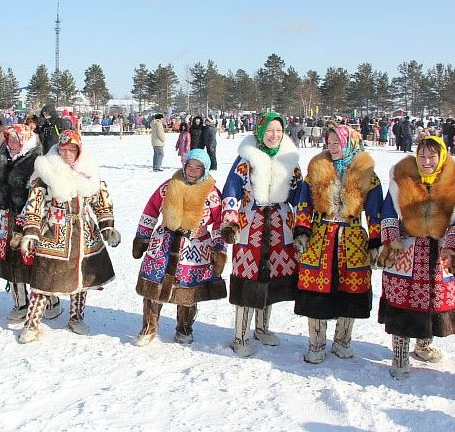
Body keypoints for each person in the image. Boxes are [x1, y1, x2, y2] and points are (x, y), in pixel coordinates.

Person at [376, 137, 455, 379]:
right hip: (407, 250)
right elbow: (388, 211)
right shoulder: (402, 179)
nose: (426, 162)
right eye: (422, 156)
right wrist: (391, 241)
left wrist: (453, 249)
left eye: (432, 157)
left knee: (432, 300)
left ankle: (423, 344)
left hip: (439, 251)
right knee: (402, 302)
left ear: (441, 158)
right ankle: (400, 352)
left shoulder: (452, 181)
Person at [16, 130, 119, 343]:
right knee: (44, 278)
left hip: (84, 231)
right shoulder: (46, 170)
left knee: (82, 275)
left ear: (79, 150)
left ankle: (76, 317)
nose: (67, 153)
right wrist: (31, 232)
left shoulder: (89, 170)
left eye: (71, 149)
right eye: (63, 149)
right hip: (55, 231)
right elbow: (35, 204)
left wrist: (107, 226)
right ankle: (32, 323)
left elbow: (101, 201)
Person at [292, 123, 383, 364]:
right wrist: (302, 230)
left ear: (350, 143)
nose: (332, 148)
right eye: (329, 143)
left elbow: (375, 213)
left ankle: (343, 339)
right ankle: (316, 342)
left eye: (337, 143)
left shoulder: (368, 176)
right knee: (315, 292)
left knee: (349, 291)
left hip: (352, 240)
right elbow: (304, 204)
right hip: (320, 238)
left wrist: (376, 241)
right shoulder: (316, 172)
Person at [219, 112, 303, 357]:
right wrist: (230, 222)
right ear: (260, 131)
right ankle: (240, 334)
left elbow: (300, 195)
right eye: (269, 131)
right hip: (250, 224)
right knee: (247, 277)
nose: (274, 135)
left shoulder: (290, 160)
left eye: (278, 130)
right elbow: (231, 191)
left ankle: (262, 328)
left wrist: (302, 225)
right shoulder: (245, 159)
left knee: (272, 278)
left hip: (280, 225)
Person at [131, 149, 226, 345]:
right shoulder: (169, 186)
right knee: (153, 285)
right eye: (189, 166)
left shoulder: (213, 194)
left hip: (195, 247)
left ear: (205, 169)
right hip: (164, 242)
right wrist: (142, 236)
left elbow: (219, 221)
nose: (192, 171)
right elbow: (150, 210)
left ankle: (184, 328)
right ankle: (149, 327)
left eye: (198, 168)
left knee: (188, 289)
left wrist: (218, 247)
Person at [0, 124, 61, 322]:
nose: (11, 143)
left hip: (31, 219)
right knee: (12, 261)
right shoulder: (2, 156)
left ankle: (50, 300)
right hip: (8, 219)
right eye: (9, 139)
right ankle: (20, 302)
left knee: (36, 261)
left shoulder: (39, 161)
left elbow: (47, 193)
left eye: (16, 139)